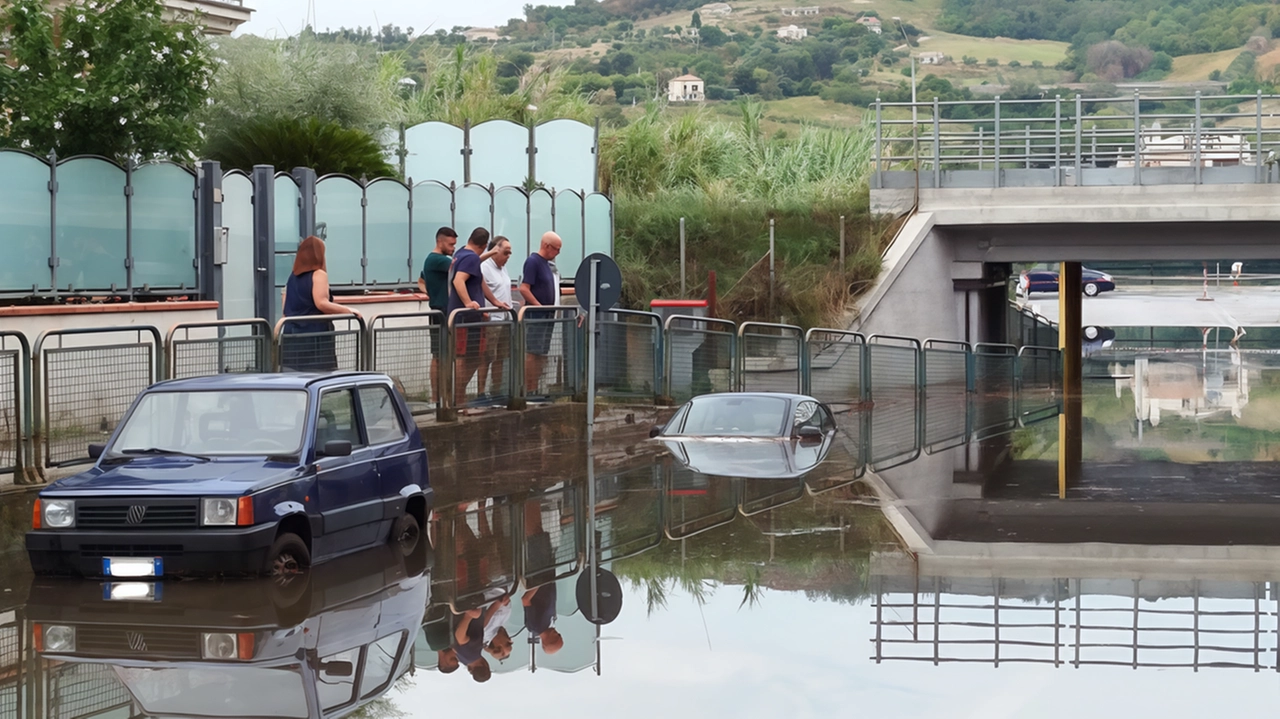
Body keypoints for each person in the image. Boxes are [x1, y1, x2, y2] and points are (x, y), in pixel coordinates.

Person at [279, 236, 361, 372]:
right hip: (316, 336)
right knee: (321, 376)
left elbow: (285, 308)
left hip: (291, 335)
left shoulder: (292, 277)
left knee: (293, 376)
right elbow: (321, 303)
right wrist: (348, 310)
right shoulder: (319, 275)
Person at [447, 228, 508, 408]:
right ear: (482, 245)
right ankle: (457, 400)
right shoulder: (470, 259)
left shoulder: (462, 255)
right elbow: (458, 280)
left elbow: (476, 270)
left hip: (468, 318)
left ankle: (457, 398)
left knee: (472, 358)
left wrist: (495, 301)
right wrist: (468, 302)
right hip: (466, 318)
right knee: (466, 359)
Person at [519, 232, 562, 394]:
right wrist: (538, 306)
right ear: (546, 246)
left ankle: (535, 388)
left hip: (547, 315)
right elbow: (524, 288)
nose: (557, 253)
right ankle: (528, 390)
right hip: (537, 314)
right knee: (533, 352)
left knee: (541, 352)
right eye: (556, 249)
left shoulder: (547, 264)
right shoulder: (533, 261)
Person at [418, 227, 458, 401]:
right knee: (439, 356)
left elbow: (421, 279)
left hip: (441, 309)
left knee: (444, 355)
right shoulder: (437, 260)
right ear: (440, 241)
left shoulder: (432, 261)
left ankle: (441, 396)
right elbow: (464, 266)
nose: (453, 248)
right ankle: (436, 397)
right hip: (440, 312)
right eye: (450, 244)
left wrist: (430, 292)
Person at [477, 236, 515, 400]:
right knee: (486, 357)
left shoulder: (503, 268)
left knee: (501, 356)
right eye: (505, 253)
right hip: (492, 319)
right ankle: (480, 392)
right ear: (495, 251)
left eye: (510, 253)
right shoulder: (484, 267)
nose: (508, 257)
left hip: (506, 318)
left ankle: (496, 390)